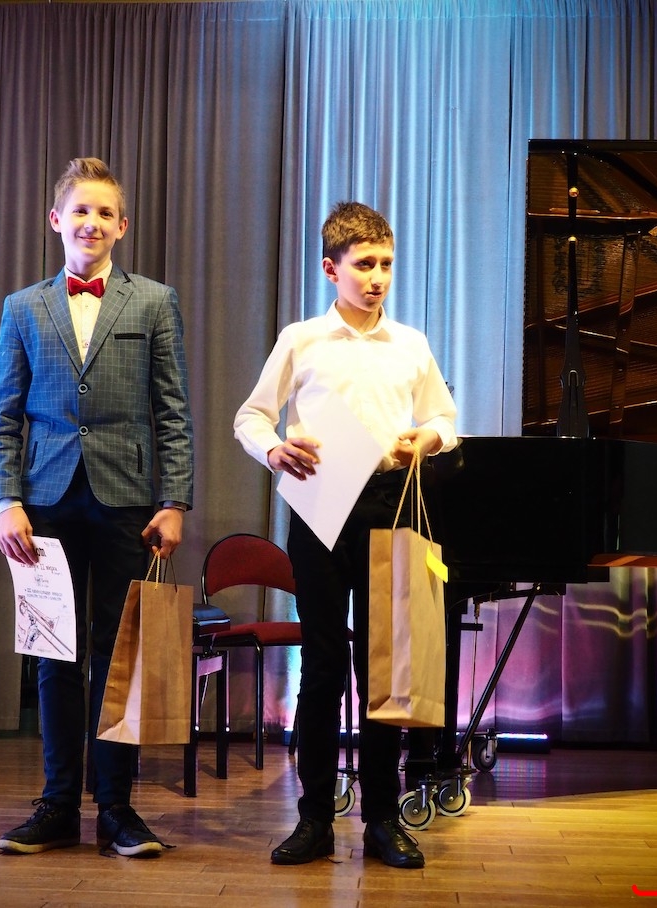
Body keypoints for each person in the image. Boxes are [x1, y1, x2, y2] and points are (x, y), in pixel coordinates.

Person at [233, 201, 457, 869]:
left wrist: (428, 438)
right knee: (324, 662)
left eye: (386, 264)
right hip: (321, 504)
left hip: (391, 503)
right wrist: (274, 450)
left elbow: (445, 420)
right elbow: (251, 416)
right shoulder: (302, 339)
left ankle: (383, 819)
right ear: (332, 269)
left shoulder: (410, 343)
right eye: (364, 265)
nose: (377, 277)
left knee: (384, 666)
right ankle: (314, 819)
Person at [0, 157, 194, 858]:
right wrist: (6, 500)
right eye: (80, 210)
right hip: (44, 503)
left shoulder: (154, 301)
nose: (92, 223)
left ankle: (117, 810)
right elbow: (2, 416)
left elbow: (173, 410)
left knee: (118, 654)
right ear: (56, 219)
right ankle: (55, 806)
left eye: (105, 213)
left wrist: (174, 499)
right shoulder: (22, 307)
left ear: (122, 226)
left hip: (126, 501)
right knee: (53, 656)